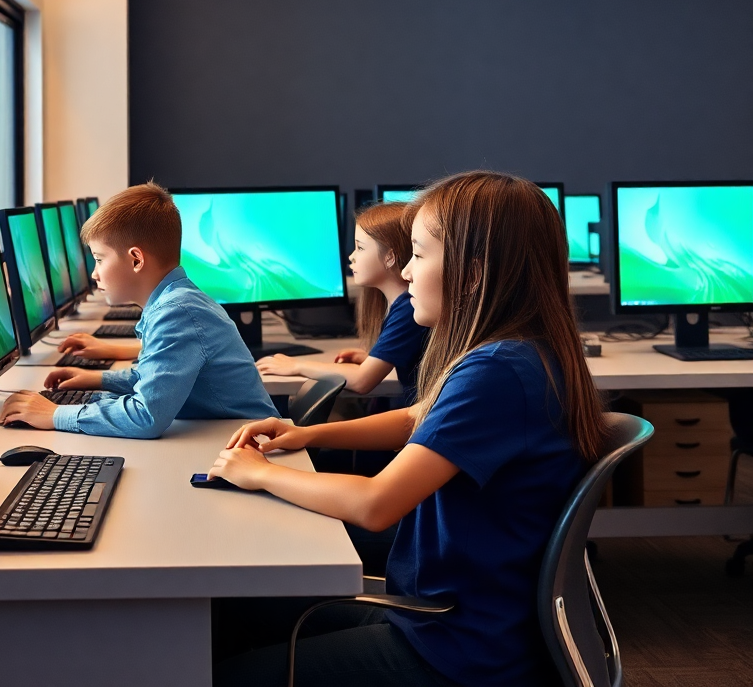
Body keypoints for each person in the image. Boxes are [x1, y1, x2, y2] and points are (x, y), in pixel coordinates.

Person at [208, 171, 606, 687]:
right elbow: (415, 418)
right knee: (230, 613)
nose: (409, 274)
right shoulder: (520, 351)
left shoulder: (498, 371)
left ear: (473, 273)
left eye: (418, 254)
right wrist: (307, 434)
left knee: (213, 670)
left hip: (454, 647)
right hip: (452, 620)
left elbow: (376, 504)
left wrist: (258, 473)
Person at [0, 182, 277, 437]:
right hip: (227, 435)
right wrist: (98, 379)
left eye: (99, 259)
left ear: (135, 260)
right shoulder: (174, 300)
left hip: (253, 443)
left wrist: (55, 414)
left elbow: (146, 416)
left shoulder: (176, 312)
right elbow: (155, 376)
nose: (94, 274)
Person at [256, 201, 427, 399]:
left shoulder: (408, 309)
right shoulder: (402, 304)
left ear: (390, 257)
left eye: (360, 248)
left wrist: (295, 365)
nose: (351, 257)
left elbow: (362, 381)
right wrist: (377, 359)